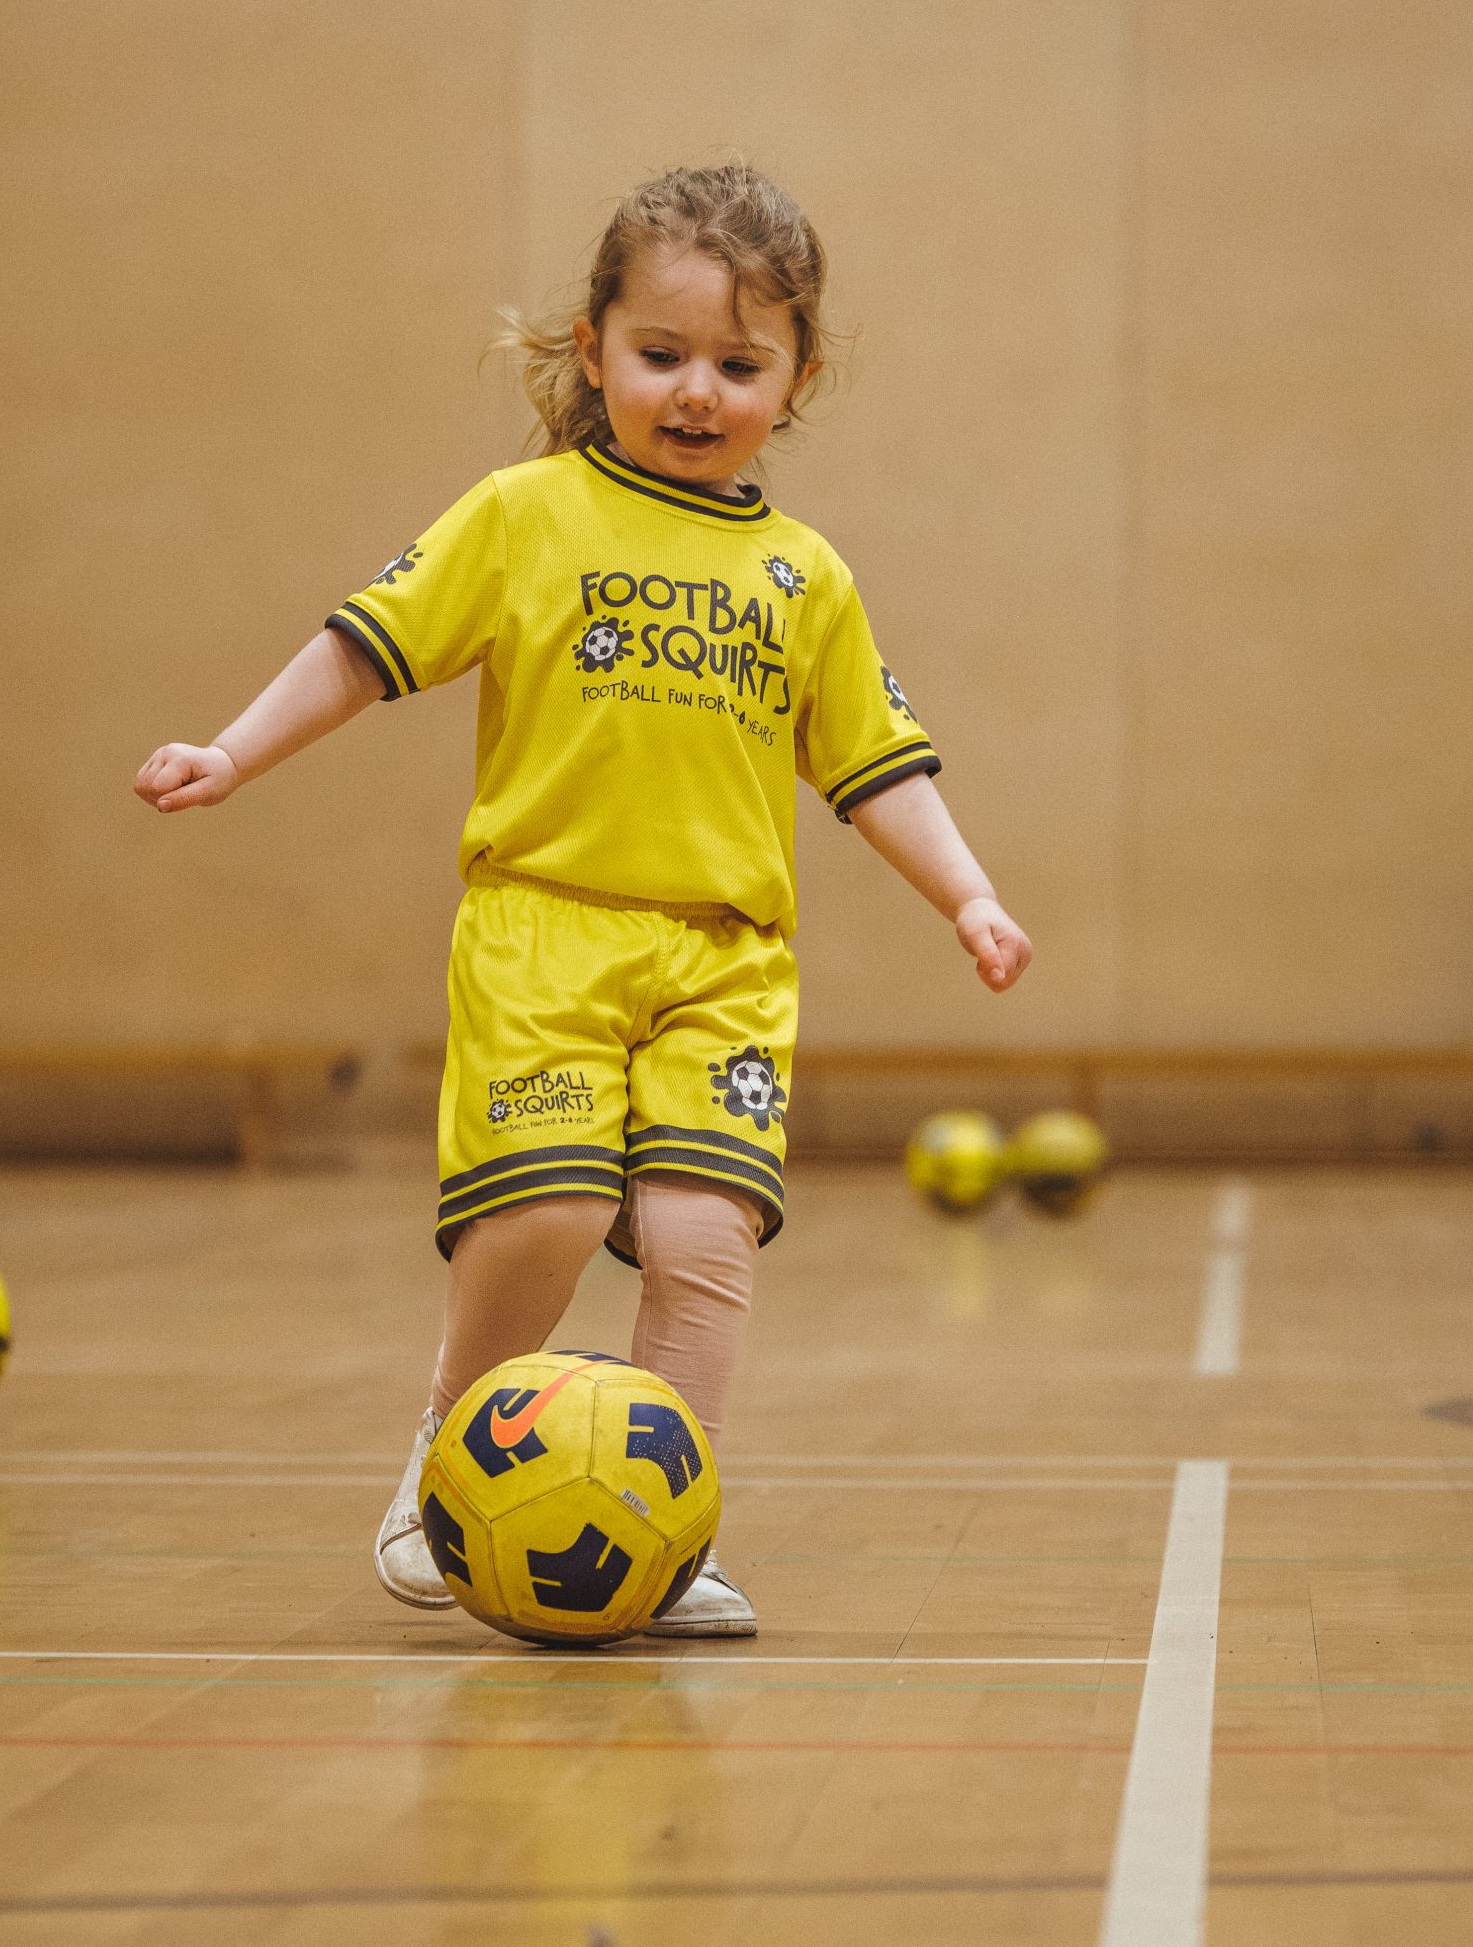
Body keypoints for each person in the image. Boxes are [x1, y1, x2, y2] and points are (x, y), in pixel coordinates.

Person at [134, 163, 1031, 1637]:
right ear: (591, 346)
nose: (697, 390)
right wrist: (232, 751)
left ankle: (664, 1538)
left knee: (701, 1245)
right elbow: (364, 649)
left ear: (797, 378)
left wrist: (969, 893)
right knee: (547, 1213)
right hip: (545, 930)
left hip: (726, 964)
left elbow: (873, 766)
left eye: (740, 364)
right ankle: (444, 1454)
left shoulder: (806, 578)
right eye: (661, 353)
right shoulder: (521, 515)